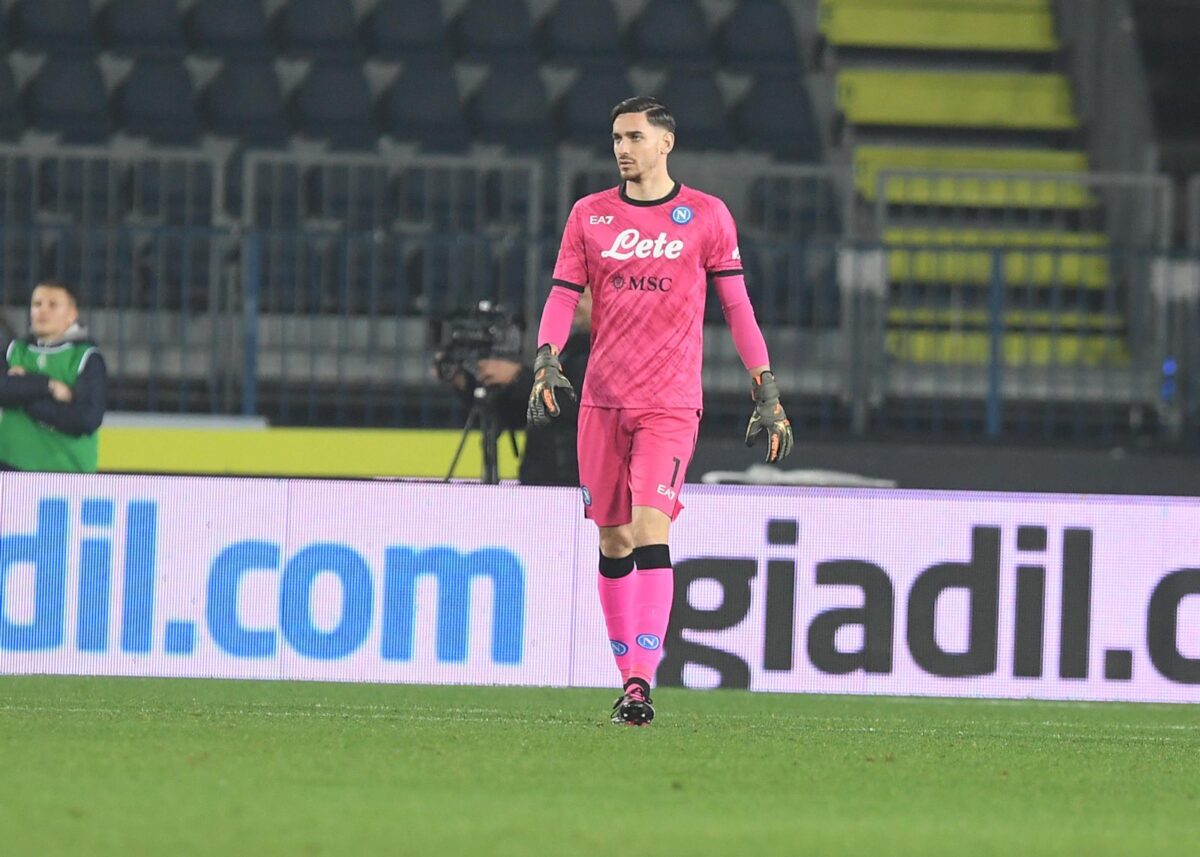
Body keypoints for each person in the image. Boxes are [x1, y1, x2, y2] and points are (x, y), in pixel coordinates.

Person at [527, 96, 794, 726]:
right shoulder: (589, 215)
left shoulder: (705, 216)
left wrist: (767, 388)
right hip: (601, 400)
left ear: (665, 143)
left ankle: (643, 682)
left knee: (651, 528)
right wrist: (546, 357)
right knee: (613, 536)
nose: (622, 148)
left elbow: (738, 308)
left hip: (670, 403)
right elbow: (564, 297)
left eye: (635, 137)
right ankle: (628, 677)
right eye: (616, 137)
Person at [441, 291, 592, 486]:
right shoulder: (570, 349)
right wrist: (468, 384)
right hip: (542, 480)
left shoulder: (610, 353)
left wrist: (518, 376)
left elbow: (575, 405)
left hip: (573, 484)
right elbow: (528, 413)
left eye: (584, 297)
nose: (575, 304)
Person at [0, 281, 108, 472]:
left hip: (65, 475)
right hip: (9, 470)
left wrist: (22, 391)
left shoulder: (86, 357)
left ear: (72, 314)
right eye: (37, 304)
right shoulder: (15, 350)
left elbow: (85, 419)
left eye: (53, 305)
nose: (42, 311)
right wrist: (47, 386)